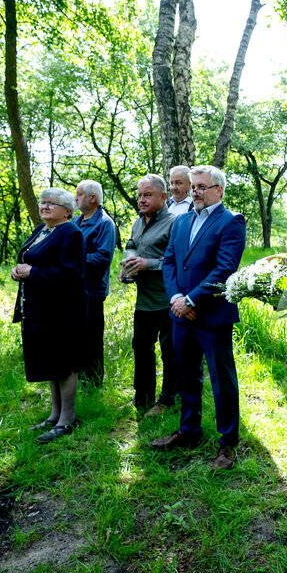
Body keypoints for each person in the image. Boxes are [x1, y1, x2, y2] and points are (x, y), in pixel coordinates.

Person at [151, 165, 246, 470]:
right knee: (186, 375)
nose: (195, 192)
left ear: (219, 190)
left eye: (202, 187)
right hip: (181, 314)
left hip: (212, 315)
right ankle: (189, 430)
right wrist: (177, 298)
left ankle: (228, 443)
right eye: (193, 187)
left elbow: (225, 268)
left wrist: (192, 299)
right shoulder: (181, 222)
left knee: (222, 380)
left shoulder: (231, 221)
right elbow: (169, 262)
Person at [12, 188, 87, 444]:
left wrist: (32, 273)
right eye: (43, 202)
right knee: (50, 363)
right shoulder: (42, 230)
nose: (44, 206)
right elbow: (30, 258)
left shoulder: (71, 233)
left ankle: (67, 419)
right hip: (40, 307)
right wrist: (19, 270)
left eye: (52, 204)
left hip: (63, 309)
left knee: (64, 363)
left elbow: (71, 274)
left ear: (67, 211)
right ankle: (54, 415)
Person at [119, 174, 178, 416]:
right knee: (141, 347)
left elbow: (178, 262)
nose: (141, 200)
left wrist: (148, 264)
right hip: (143, 300)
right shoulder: (137, 222)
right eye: (139, 195)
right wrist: (126, 270)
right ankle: (142, 396)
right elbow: (132, 250)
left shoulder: (176, 223)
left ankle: (167, 400)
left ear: (163, 197)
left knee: (169, 351)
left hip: (167, 299)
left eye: (147, 195)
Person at [74, 180, 116, 384]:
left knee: (92, 339)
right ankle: (79, 378)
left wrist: (71, 262)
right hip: (73, 290)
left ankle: (94, 381)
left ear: (93, 198)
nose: (76, 198)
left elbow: (102, 259)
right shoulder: (75, 223)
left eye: (80, 194)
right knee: (77, 338)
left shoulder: (104, 224)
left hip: (92, 291)